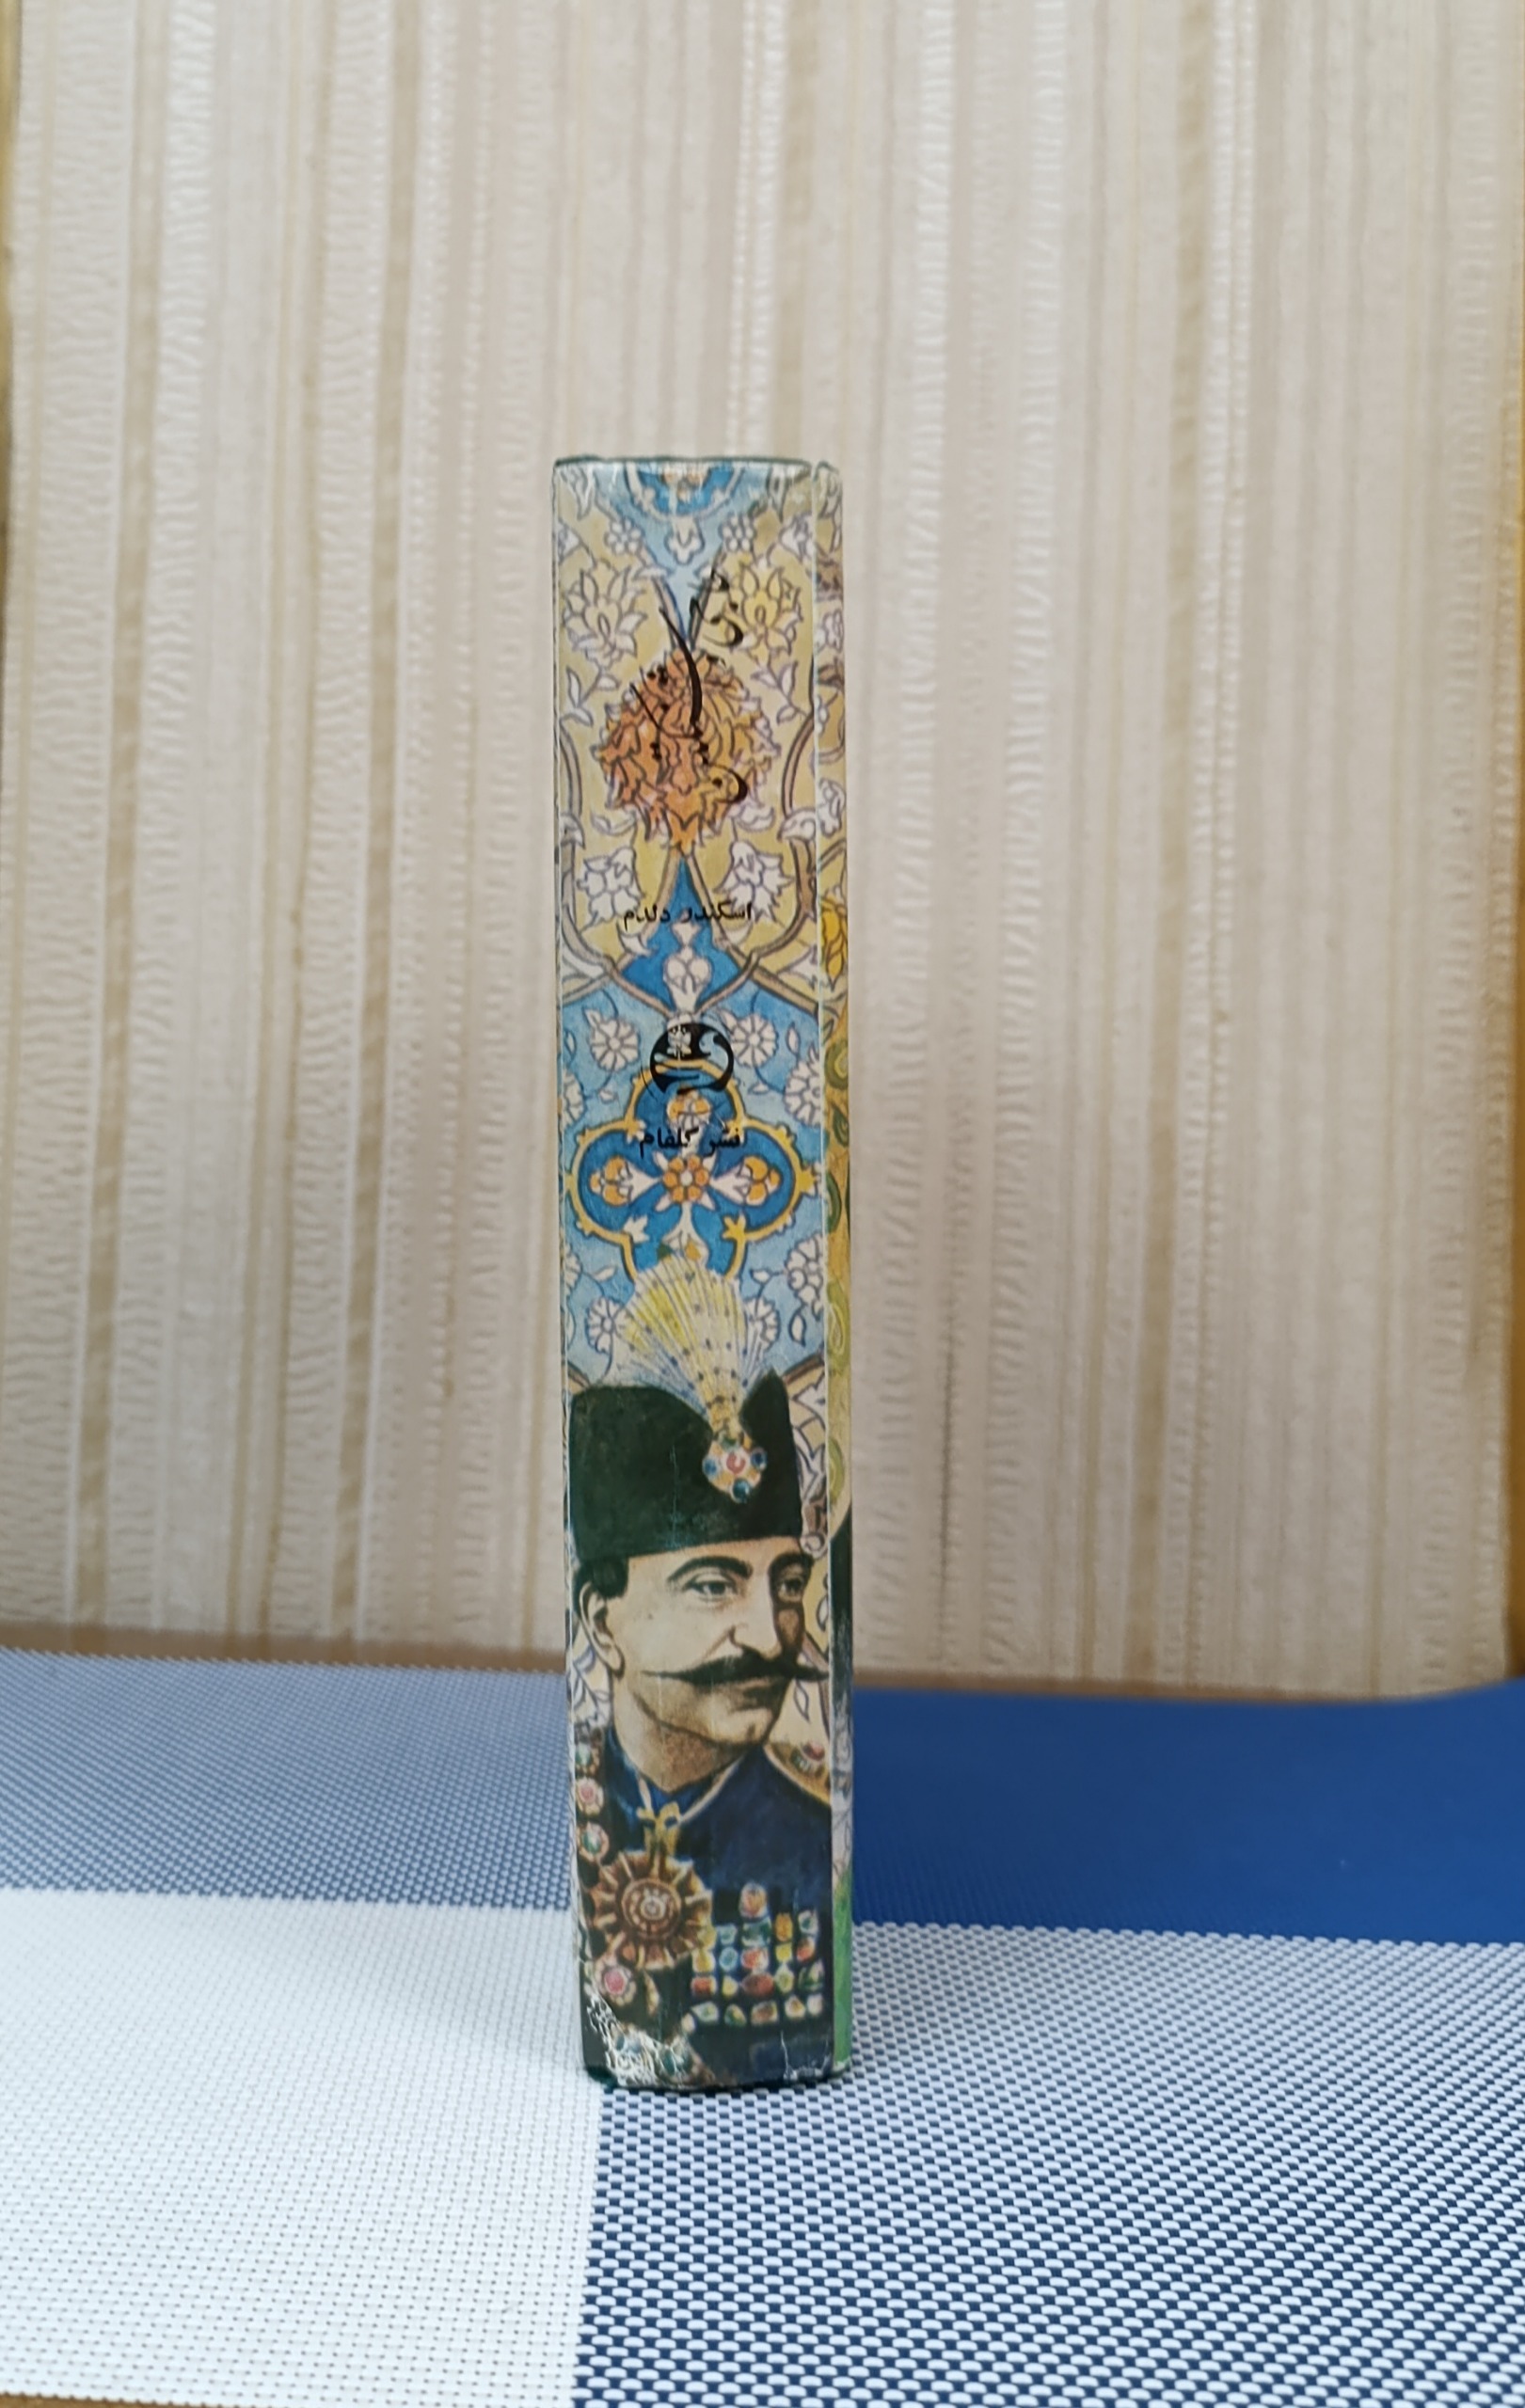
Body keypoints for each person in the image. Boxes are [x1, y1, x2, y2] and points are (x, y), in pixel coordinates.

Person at [569, 1358, 834, 2087]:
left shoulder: (809, 1832)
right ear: (603, 1622)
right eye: (713, 1586)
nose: (770, 1637)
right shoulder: (586, 1797)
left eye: (787, 1584)